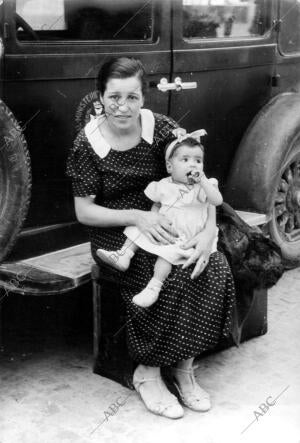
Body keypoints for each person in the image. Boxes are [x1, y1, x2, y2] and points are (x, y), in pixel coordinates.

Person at [66, 56, 236, 419]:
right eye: (114, 97)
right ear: (100, 97)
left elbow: (197, 182)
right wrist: (137, 217)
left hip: (174, 221)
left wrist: (209, 232)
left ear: (143, 99)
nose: (122, 107)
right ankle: (148, 371)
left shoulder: (163, 131)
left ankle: (184, 366)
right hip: (117, 232)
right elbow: (84, 211)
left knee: (213, 264)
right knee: (157, 272)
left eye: (131, 97)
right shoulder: (88, 143)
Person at [96, 132, 223, 308]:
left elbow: (216, 201)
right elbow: (156, 206)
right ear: (170, 167)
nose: (193, 164)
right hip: (165, 227)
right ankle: (124, 255)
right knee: (138, 228)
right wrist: (155, 217)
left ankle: (154, 287)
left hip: (185, 235)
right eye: (185, 160)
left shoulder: (202, 188)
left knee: (166, 256)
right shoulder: (163, 185)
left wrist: (204, 182)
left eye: (198, 160)